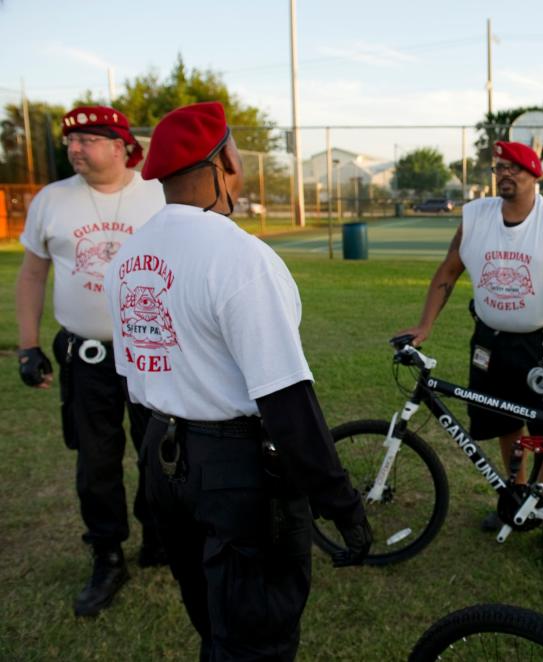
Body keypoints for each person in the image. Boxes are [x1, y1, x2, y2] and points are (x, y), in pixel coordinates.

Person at [104, 101, 371, 660]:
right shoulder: (240, 256)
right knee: (256, 634)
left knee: (210, 615)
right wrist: (341, 503)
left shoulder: (128, 255)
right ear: (225, 157)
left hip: (163, 454)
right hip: (234, 469)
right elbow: (286, 399)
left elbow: (135, 374)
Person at [401, 140, 543, 528]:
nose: (506, 174)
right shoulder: (475, 216)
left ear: (536, 175)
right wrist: (424, 325)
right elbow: (449, 271)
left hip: (542, 342)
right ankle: (518, 504)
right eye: (500, 168)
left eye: (516, 168)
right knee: (504, 424)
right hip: (490, 341)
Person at [15, 105, 167, 617]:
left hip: (153, 349)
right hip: (88, 354)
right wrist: (28, 344)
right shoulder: (52, 199)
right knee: (96, 463)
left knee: (160, 451)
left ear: (123, 145)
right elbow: (33, 276)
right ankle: (107, 555)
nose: (76, 148)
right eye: (70, 140)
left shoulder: (159, 190)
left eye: (91, 138)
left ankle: (160, 537)